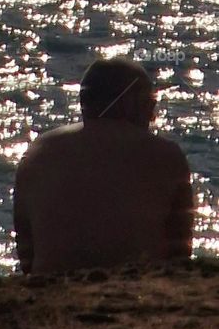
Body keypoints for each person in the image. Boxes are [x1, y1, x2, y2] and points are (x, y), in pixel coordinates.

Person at [13, 56, 194, 275]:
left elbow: (26, 250)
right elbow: (180, 255)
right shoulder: (165, 155)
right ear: (130, 102)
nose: (153, 116)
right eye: (150, 104)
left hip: (50, 285)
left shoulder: (38, 152)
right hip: (135, 287)